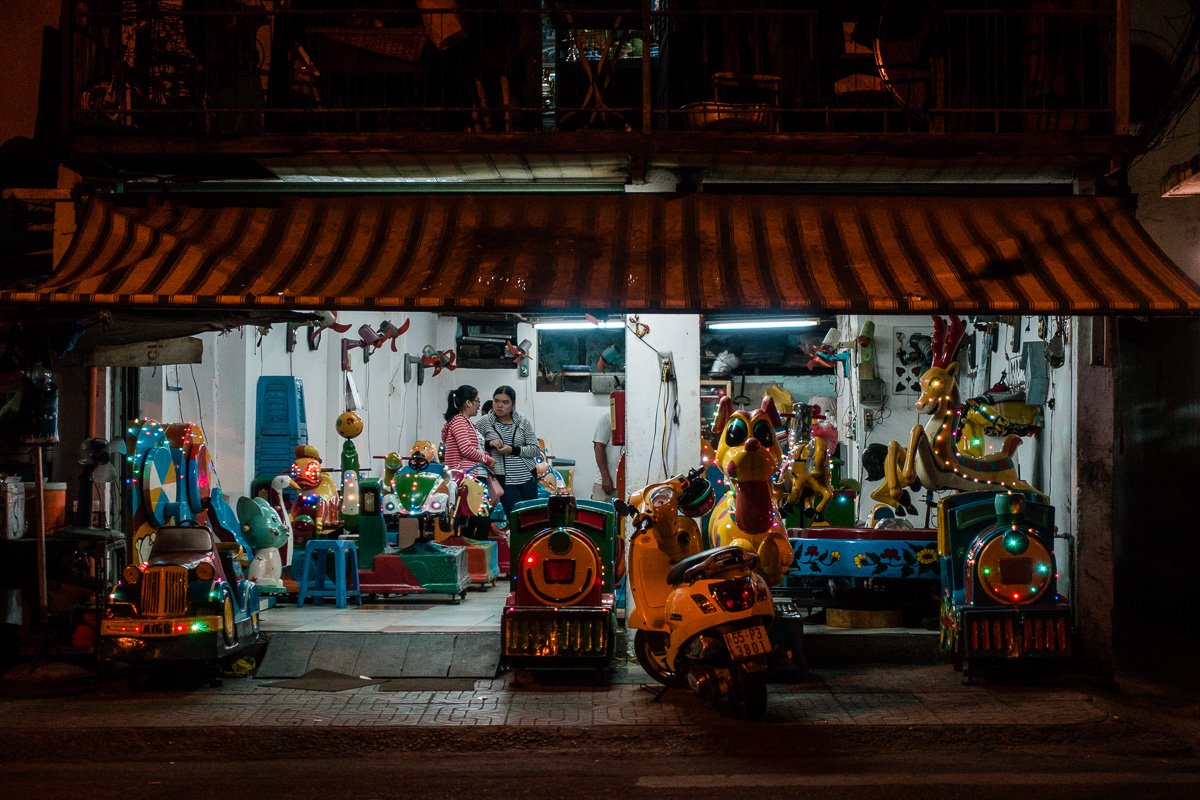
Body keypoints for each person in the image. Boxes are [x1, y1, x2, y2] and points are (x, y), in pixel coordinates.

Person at [475, 385, 541, 514]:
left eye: (505, 402)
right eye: (496, 401)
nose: (499, 406)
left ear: (513, 404)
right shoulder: (484, 422)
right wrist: (490, 444)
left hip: (527, 477)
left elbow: (535, 449)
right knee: (514, 517)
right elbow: (474, 445)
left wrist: (513, 450)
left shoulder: (523, 422)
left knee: (531, 517)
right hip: (504, 479)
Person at [441, 384, 495, 536]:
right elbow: (465, 449)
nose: (479, 405)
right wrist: (487, 459)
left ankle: (473, 552)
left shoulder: (467, 422)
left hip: (473, 477)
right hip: (467, 477)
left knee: (476, 520)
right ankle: (475, 554)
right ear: (468, 403)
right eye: (477, 401)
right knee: (480, 520)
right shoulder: (459, 422)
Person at [592, 410, 624, 503]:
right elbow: (598, 447)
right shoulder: (608, 417)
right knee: (601, 515)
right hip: (606, 484)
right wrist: (605, 477)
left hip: (626, 486)